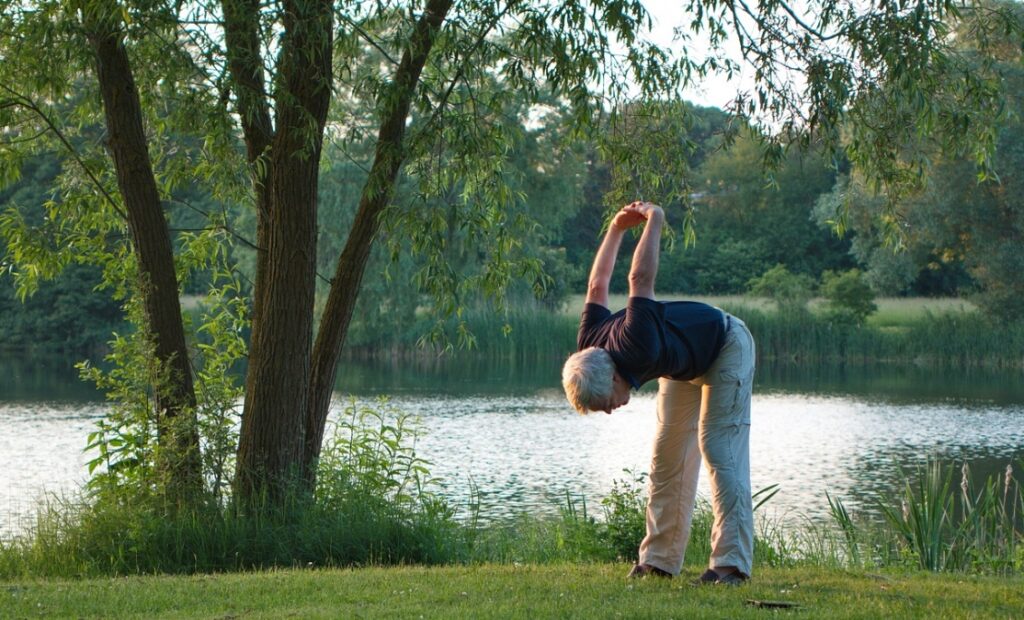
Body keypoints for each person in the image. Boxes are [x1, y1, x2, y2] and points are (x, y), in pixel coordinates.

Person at [561, 201, 756, 585]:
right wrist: (615, 228)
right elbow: (597, 285)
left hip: (726, 345)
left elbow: (640, 279)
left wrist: (655, 220)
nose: (611, 411)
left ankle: (731, 565)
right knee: (667, 457)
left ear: (614, 377)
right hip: (682, 363)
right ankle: (658, 561)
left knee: (718, 448)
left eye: (605, 405)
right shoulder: (589, 344)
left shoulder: (636, 344)